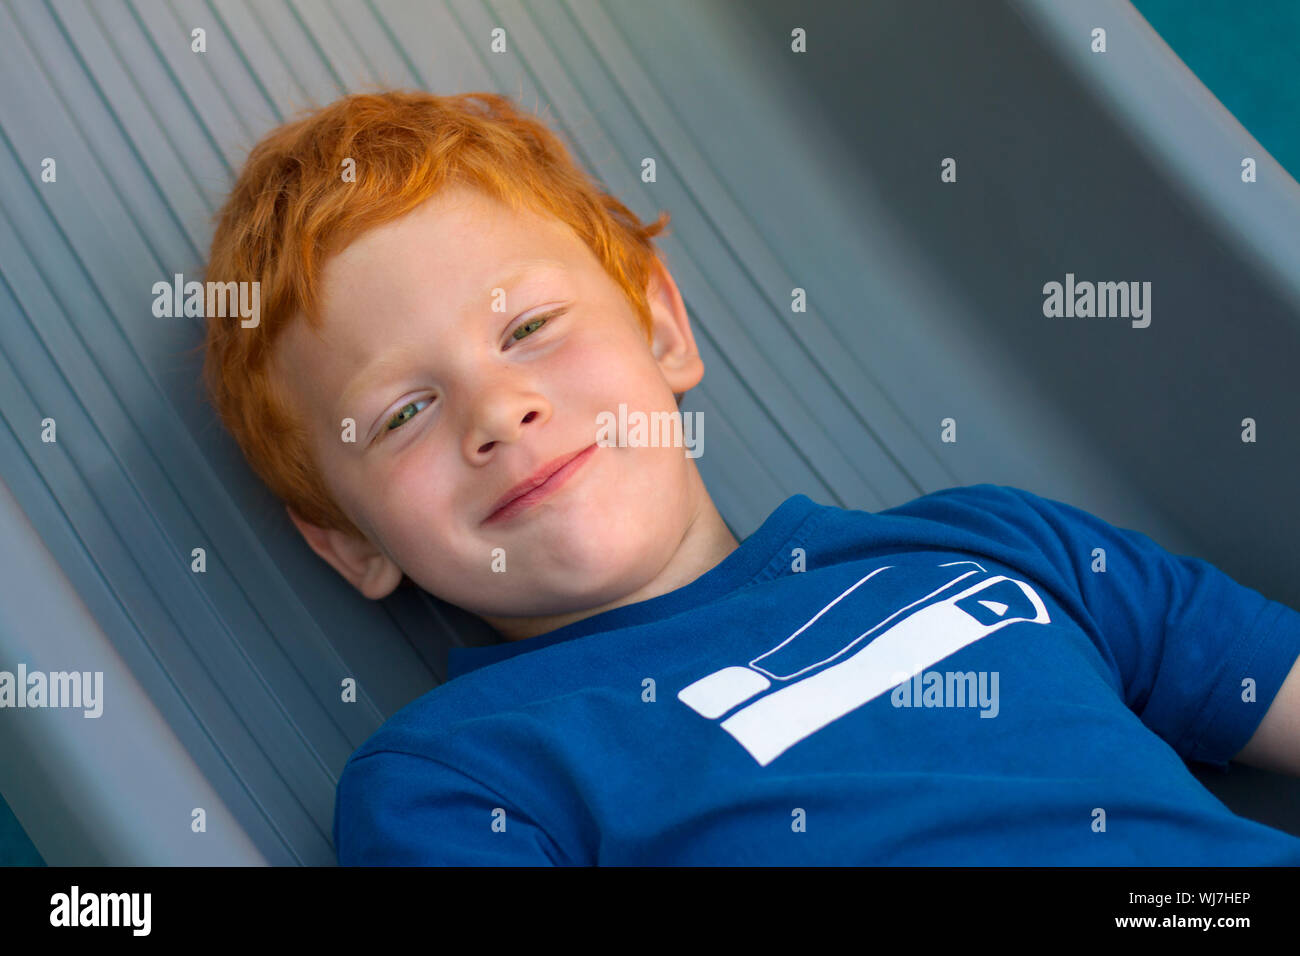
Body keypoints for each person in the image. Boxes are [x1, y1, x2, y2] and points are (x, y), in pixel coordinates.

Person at [201, 89, 1300, 865]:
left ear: (662, 327)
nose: (498, 411)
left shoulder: (995, 544)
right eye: (403, 411)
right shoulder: (463, 773)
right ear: (349, 540)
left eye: (529, 327)